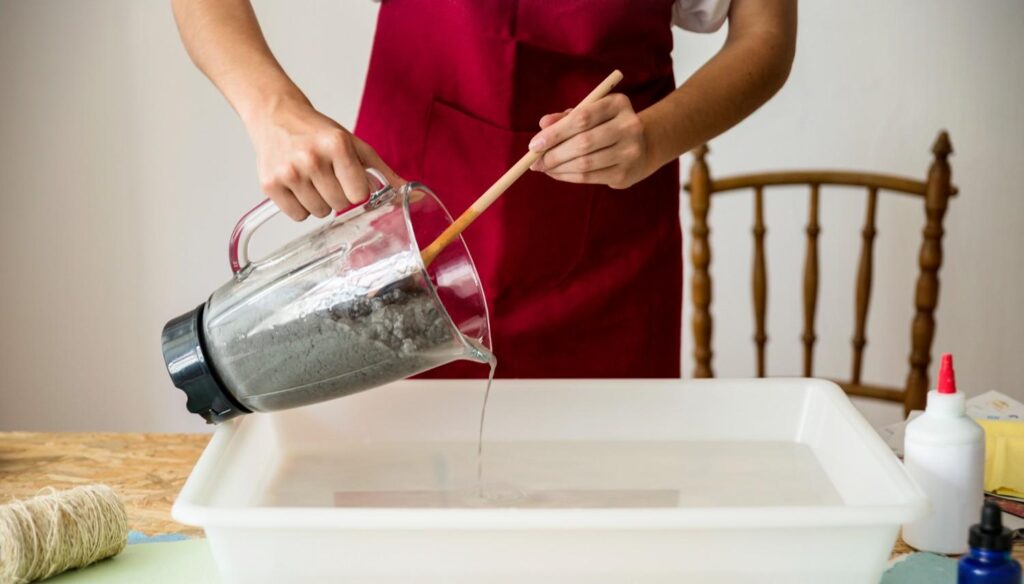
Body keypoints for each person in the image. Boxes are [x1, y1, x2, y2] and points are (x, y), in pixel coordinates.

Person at [172, 0, 796, 379]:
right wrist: (273, 110)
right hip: (404, 246)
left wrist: (655, 137)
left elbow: (765, 37)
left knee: (602, 522)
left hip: (613, 250)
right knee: (399, 507)